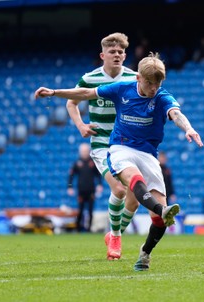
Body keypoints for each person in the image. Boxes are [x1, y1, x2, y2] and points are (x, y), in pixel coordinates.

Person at [34, 52, 204, 271]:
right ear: (138, 79)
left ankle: (145, 253)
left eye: (158, 83)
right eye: (150, 83)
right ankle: (156, 211)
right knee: (134, 180)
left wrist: (188, 128)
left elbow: (176, 113)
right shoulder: (122, 88)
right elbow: (86, 92)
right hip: (121, 147)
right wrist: (55, 92)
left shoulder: (161, 97)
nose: (154, 87)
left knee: (159, 220)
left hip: (148, 154)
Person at [65, 32, 138, 260]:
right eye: (112, 52)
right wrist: (81, 126)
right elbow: (72, 102)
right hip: (102, 144)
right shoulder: (90, 78)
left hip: (128, 145)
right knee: (118, 189)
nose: (117, 55)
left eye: (120, 52)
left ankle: (113, 234)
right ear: (102, 55)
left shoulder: (134, 78)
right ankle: (116, 238)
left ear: (125, 55)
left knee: (134, 200)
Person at [67, 143, 103, 232]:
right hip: (81, 190)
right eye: (83, 151)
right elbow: (71, 176)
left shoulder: (92, 163)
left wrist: (99, 185)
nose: (84, 153)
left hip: (91, 190)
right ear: (80, 152)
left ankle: (89, 229)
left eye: (86, 151)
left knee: (90, 211)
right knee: (80, 210)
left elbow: (98, 175)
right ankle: (78, 228)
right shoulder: (77, 163)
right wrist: (70, 187)